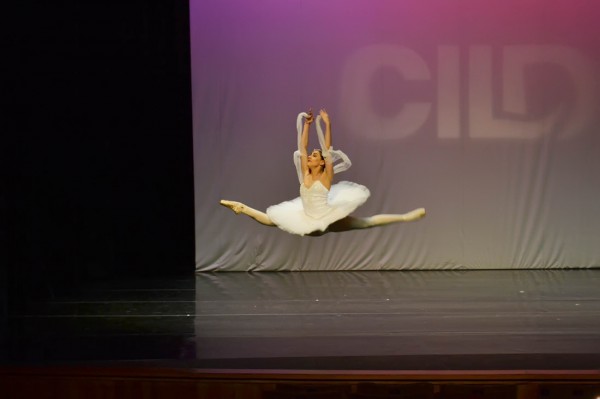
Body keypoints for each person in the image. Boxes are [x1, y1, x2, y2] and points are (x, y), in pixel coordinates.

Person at [220, 109, 425, 236]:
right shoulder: (306, 173)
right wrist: (307, 125)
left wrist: (328, 124)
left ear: (320, 162)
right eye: (310, 155)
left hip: (326, 221)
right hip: (306, 220)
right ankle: (242, 207)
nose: (310, 156)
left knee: (365, 223)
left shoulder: (326, 176)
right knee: (271, 220)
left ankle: (405, 217)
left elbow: (327, 150)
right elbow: (302, 147)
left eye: (314, 156)